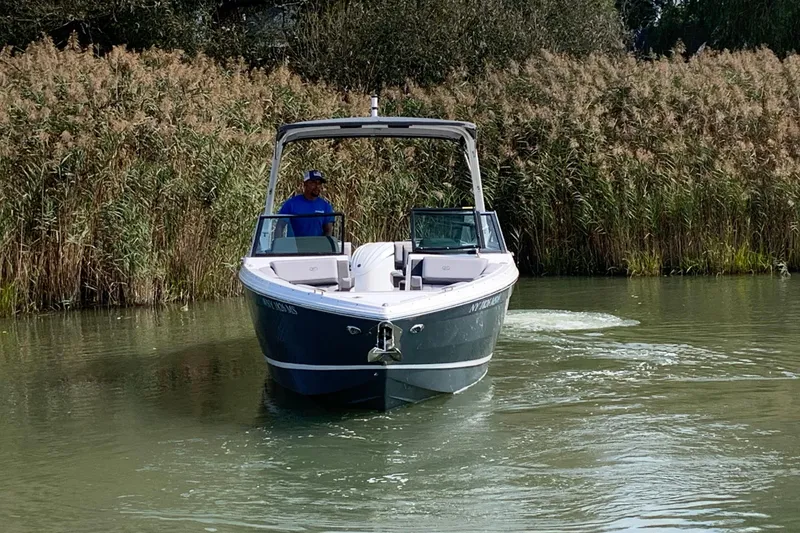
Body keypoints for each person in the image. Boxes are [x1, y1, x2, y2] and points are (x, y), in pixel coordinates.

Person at [276, 170, 335, 237]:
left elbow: (328, 231)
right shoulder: (291, 204)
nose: (317, 186)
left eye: (319, 183)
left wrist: (323, 246)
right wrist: (278, 245)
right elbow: (279, 227)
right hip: (294, 246)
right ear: (305, 184)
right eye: (313, 183)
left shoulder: (326, 207)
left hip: (316, 247)